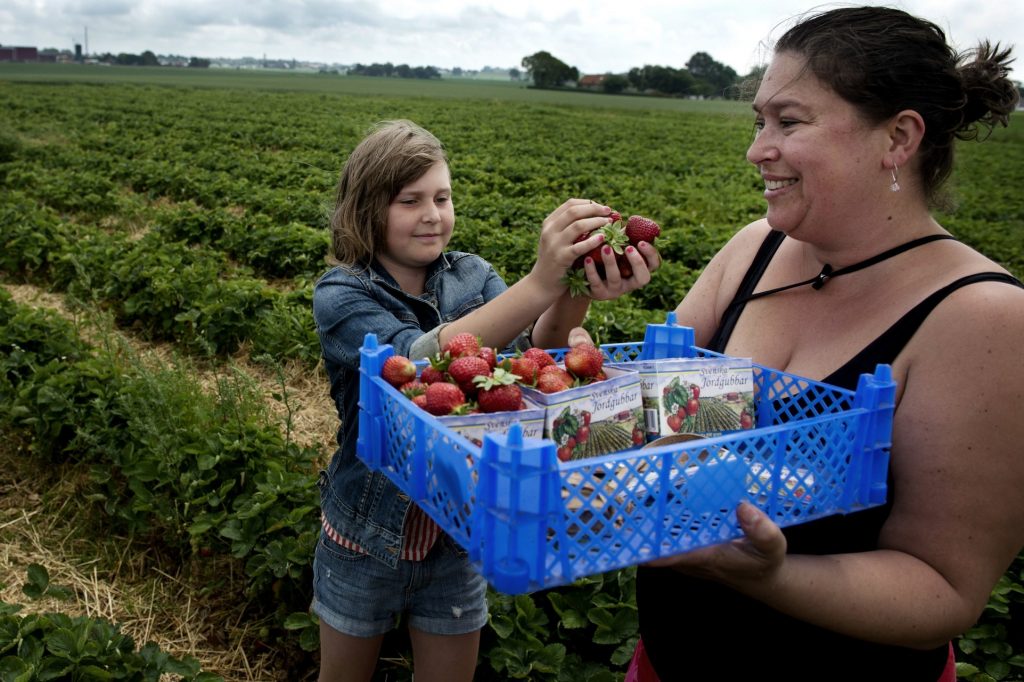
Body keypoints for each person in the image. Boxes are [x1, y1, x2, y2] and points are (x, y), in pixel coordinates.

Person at [630, 6, 1024, 681]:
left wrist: (763, 575)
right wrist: (562, 318)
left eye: (789, 121)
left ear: (897, 137)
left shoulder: (985, 319)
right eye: (760, 121)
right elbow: (642, 418)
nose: (757, 148)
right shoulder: (755, 248)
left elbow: (944, 589)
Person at [311, 119, 660, 682]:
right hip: (365, 531)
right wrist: (539, 282)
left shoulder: (473, 275)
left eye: (442, 197)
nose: (432, 213)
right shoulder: (343, 292)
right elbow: (414, 368)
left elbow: (533, 355)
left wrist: (573, 286)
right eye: (410, 200)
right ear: (366, 208)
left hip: (461, 528)